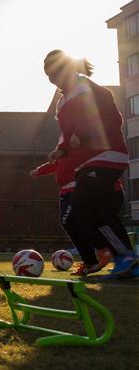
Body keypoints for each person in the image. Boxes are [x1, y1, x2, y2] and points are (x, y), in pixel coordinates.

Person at [43, 50, 135, 278]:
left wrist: (82, 134)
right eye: (48, 76)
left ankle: (127, 258)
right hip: (88, 160)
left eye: (54, 74)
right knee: (84, 212)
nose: (52, 80)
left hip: (108, 153)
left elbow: (112, 118)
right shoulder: (63, 101)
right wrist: (61, 150)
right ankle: (118, 258)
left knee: (85, 204)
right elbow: (69, 134)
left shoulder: (89, 89)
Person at [30, 155, 121, 275]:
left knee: (70, 221)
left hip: (77, 187)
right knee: (72, 223)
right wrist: (40, 170)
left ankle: (101, 251)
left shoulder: (80, 143)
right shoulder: (65, 147)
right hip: (65, 191)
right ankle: (92, 259)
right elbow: (58, 162)